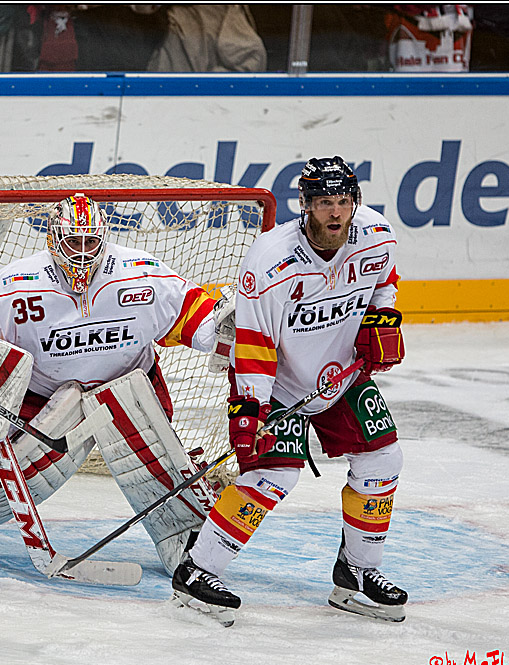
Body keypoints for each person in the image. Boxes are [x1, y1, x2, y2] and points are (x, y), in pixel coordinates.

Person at [0, 194, 234, 575]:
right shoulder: (13, 284)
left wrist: (222, 328)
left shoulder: (142, 274)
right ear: (54, 238)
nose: (83, 253)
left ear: (104, 238)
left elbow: (193, 315)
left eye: (91, 242)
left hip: (129, 390)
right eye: (74, 242)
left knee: (152, 456)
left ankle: (184, 535)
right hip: (45, 397)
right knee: (30, 468)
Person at [172, 157, 408, 625]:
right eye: (324, 203)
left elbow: (386, 284)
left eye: (343, 202)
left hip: (342, 376)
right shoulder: (271, 258)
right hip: (279, 384)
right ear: (305, 205)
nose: (336, 213)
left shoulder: (377, 234)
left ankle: (357, 572)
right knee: (275, 476)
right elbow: (254, 343)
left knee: (384, 458)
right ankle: (197, 570)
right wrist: (251, 410)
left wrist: (383, 321)